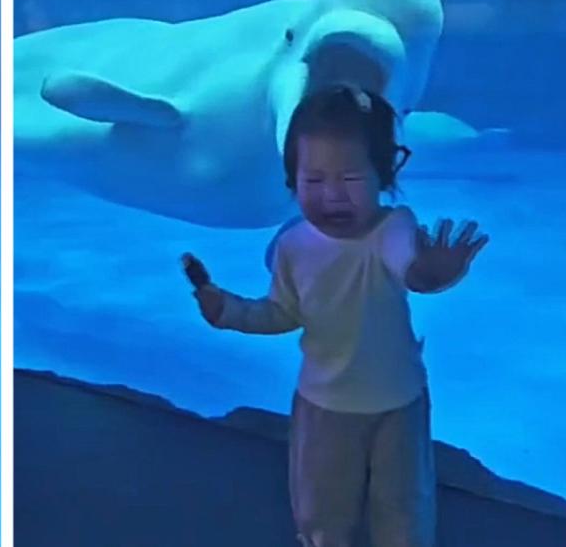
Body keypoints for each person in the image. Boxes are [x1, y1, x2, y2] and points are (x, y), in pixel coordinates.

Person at [183, 85, 489, 547]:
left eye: (349, 180)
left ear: (384, 177)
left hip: (398, 404)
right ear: (292, 181)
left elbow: (410, 268)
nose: (331, 196)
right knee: (321, 511)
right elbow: (283, 313)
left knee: (404, 509)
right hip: (323, 408)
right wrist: (229, 309)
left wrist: (434, 272)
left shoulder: (393, 227)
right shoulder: (292, 247)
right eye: (313, 180)